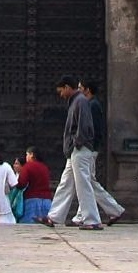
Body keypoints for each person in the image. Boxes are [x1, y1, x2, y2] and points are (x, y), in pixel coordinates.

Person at [39, 76, 102, 230]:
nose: (60, 95)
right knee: (66, 183)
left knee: (83, 184)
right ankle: (54, 216)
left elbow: (84, 125)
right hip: (74, 150)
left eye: (61, 91)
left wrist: (77, 142)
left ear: (67, 87)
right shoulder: (76, 101)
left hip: (79, 149)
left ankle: (92, 220)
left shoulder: (80, 101)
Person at [72, 79, 125, 225]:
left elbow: (93, 129)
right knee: (88, 180)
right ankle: (108, 211)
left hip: (89, 149)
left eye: (80, 87)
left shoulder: (92, 105)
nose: (78, 90)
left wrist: (89, 146)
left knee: (88, 181)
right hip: (91, 148)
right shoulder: (91, 104)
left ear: (87, 90)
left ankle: (109, 211)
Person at [15, 147, 53, 224]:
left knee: (29, 227)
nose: (26, 157)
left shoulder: (28, 166)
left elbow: (22, 184)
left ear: (32, 155)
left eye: (27, 154)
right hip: (47, 201)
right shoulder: (45, 167)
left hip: (32, 200)